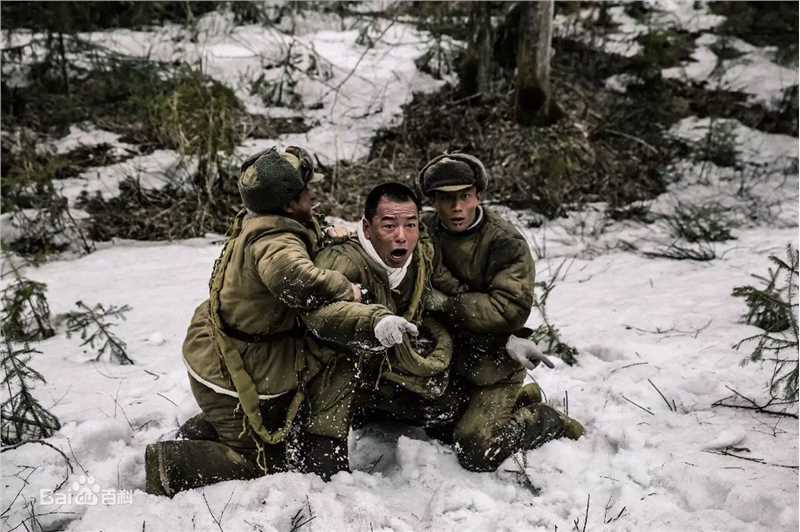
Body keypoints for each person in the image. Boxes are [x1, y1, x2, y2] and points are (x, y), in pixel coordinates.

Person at [145, 146, 368, 496]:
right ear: (290, 203)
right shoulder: (275, 241)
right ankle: (169, 465)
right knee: (261, 463)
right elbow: (293, 276)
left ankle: (211, 428)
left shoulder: (265, 220)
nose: (313, 194)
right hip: (230, 371)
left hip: (227, 352)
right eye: (307, 191)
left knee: (266, 430)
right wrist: (345, 289)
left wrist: (325, 234)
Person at [420, 152, 585, 472]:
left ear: (478, 195)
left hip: (494, 364)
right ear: (433, 201)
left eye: (465, 197)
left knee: (475, 450)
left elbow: (508, 310)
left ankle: (546, 420)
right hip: (451, 359)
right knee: (436, 426)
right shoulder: (424, 230)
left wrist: (445, 303)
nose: (456, 208)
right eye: (446, 199)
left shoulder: (504, 241)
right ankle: (520, 400)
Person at [295, 182, 461, 478]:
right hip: (330, 376)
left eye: (410, 225)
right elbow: (318, 315)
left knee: (448, 407)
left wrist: (508, 333)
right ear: (367, 228)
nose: (402, 236)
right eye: (389, 225)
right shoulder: (342, 260)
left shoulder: (422, 253)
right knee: (322, 471)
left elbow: (454, 291)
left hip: (386, 369)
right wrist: (373, 321)